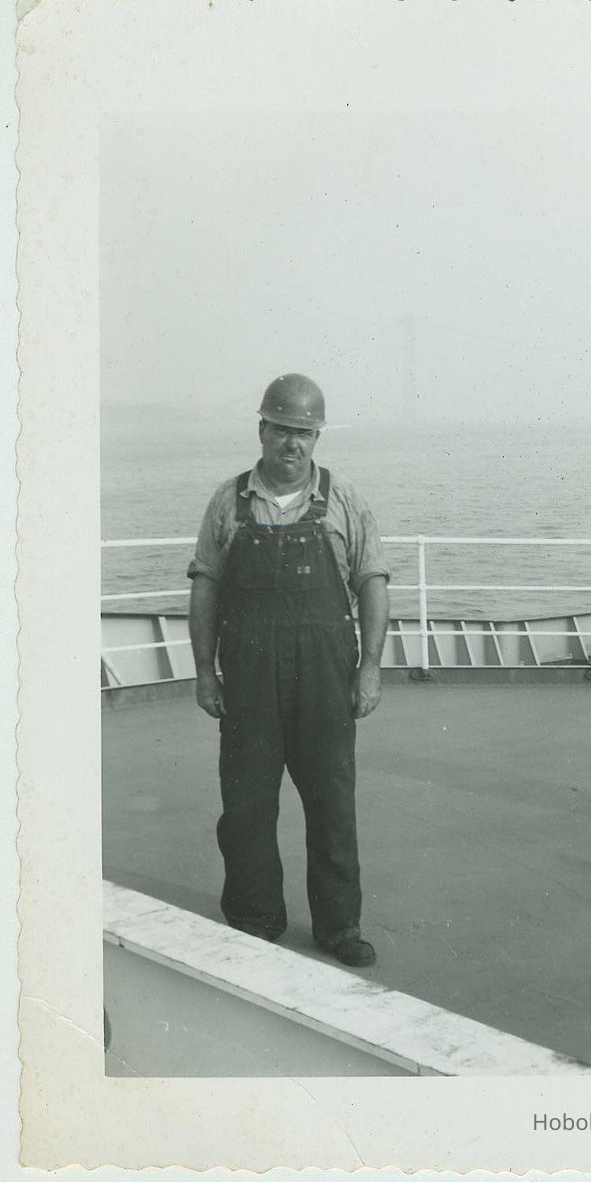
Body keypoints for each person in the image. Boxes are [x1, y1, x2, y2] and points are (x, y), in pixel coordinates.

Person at [187, 374, 390, 967]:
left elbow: (372, 583)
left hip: (325, 676)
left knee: (332, 802)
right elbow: (205, 588)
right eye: (281, 430)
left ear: (317, 436)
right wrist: (204, 672)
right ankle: (254, 920)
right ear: (262, 430)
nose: (292, 443)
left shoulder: (344, 499)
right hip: (248, 677)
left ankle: (339, 926)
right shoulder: (228, 502)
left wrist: (370, 669)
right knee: (246, 805)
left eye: (304, 432)